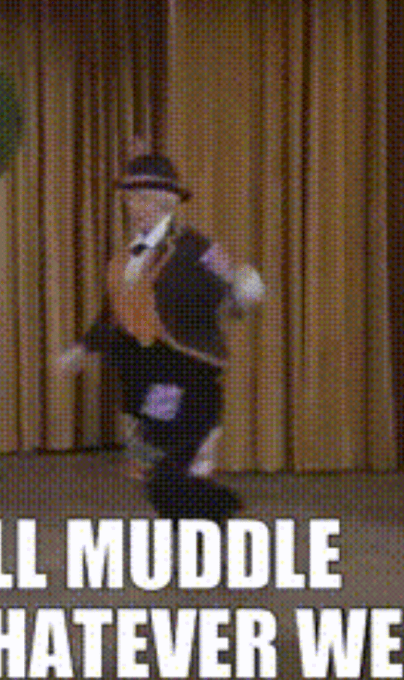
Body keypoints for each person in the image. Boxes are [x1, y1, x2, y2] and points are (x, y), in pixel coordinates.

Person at [58, 152, 265, 524]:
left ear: (166, 203)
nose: (138, 208)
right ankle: (202, 499)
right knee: (150, 464)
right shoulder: (123, 260)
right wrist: (83, 348)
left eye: (146, 200)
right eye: (133, 200)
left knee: (168, 457)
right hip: (150, 373)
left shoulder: (197, 247)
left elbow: (231, 288)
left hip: (188, 369)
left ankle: (206, 497)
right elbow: (113, 314)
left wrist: (241, 291)